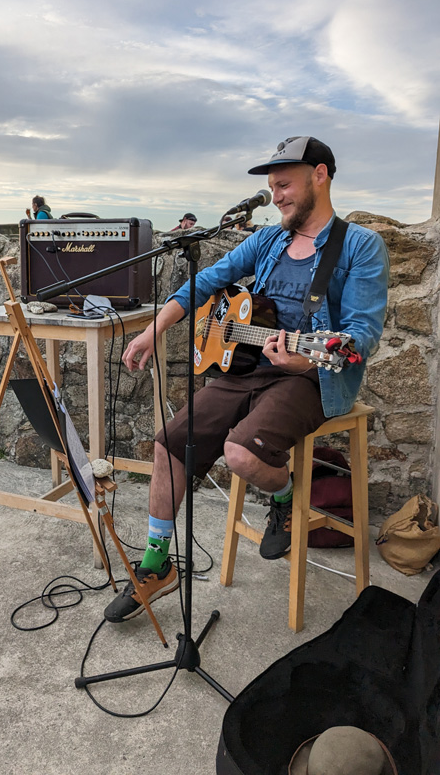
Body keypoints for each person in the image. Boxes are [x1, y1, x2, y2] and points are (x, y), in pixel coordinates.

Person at [105, 135, 389, 623]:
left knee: (240, 453)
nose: (276, 195)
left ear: (319, 175)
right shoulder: (269, 239)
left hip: (312, 377)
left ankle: (283, 494)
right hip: (246, 367)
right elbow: (207, 281)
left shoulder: (359, 246)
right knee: (169, 444)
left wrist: (308, 360)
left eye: (284, 185)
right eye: (272, 187)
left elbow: (362, 334)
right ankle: (157, 565)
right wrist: (154, 331)